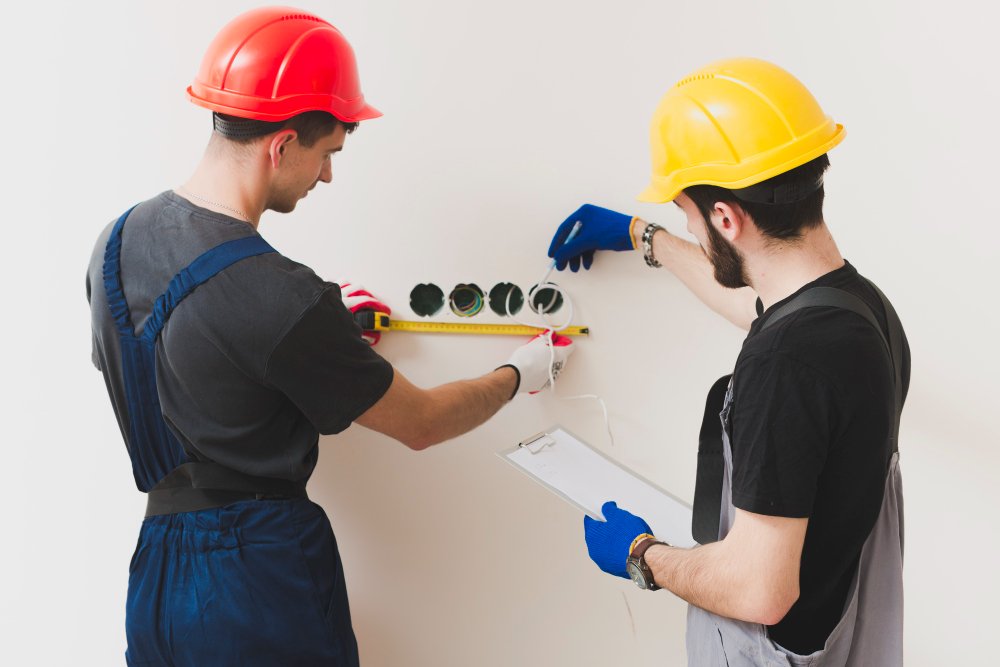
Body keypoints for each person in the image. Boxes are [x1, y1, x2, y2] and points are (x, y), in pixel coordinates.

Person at [86, 7, 573, 666]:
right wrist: (519, 373)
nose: (328, 177)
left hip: (157, 579)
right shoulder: (282, 293)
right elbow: (422, 422)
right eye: (327, 154)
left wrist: (317, 355)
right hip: (259, 574)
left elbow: (175, 366)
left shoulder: (113, 243)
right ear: (281, 144)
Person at [548, 58, 908, 665]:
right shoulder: (857, 308)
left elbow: (758, 589)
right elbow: (758, 304)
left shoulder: (787, 362)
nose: (686, 222)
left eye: (686, 213)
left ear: (725, 218)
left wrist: (641, 555)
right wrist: (646, 238)